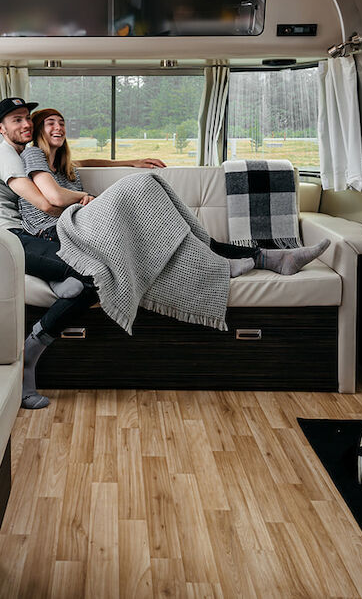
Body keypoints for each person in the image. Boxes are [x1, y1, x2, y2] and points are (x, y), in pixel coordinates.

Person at [16, 107, 330, 408]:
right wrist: (88, 198)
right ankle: (255, 259)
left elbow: (92, 160)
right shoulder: (33, 155)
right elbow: (54, 198)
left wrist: (131, 160)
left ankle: (262, 259)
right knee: (141, 186)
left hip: (80, 227)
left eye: (61, 122)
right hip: (60, 232)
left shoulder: (63, 162)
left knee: (165, 227)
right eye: (50, 123)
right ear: (39, 132)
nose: (58, 127)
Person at [0, 97, 164, 408]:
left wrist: (123, 164)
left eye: (27, 118)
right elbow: (47, 203)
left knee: (86, 278)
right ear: (0, 128)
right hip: (3, 240)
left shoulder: (21, 153)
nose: (25, 124)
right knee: (93, 274)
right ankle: (29, 355)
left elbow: (74, 163)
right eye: (16, 120)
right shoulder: (6, 155)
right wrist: (89, 198)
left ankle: (60, 282)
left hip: (22, 237)